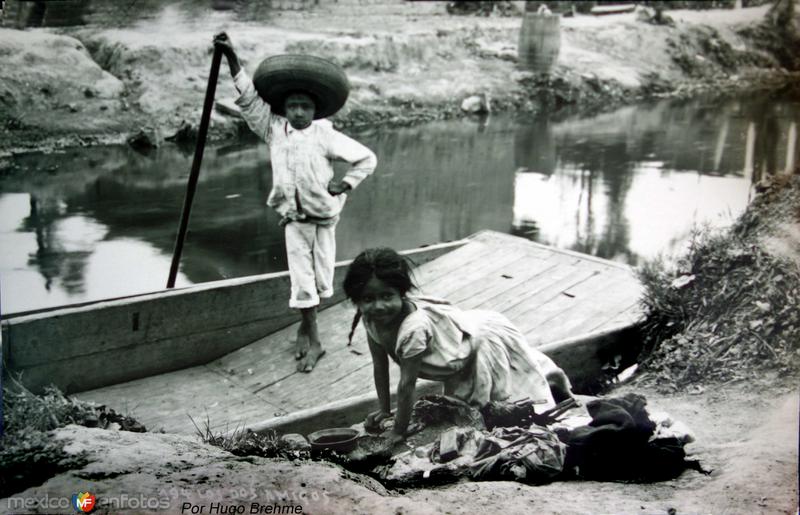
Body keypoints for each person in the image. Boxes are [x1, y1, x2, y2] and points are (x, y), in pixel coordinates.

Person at [213, 32, 377, 373]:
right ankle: (314, 338)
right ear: (283, 109)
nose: (299, 112)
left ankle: (306, 325)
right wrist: (231, 59)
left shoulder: (325, 135)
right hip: (294, 219)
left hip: (325, 217)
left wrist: (344, 184)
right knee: (302, 281)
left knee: (321, 280)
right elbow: (249, 100)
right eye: (292, 106)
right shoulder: (274, 129)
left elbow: (366, 159)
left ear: (315, 109)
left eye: (305, 106)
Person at [342, 247, 573, 447]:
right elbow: (379, 367)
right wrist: (384, 410)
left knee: (495, 409)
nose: (379, 306)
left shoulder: (413, 329)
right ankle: (550, 380)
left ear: (401, 294)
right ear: (358, 300)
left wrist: (398, 432)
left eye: (387, 296)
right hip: (454, 345)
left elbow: (406, 386)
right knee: (503, 383)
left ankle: (554, 388)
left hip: (474, 346)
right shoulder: (371, 319)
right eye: (368, 299)